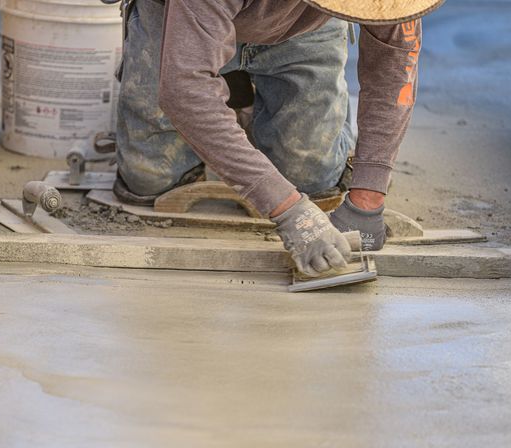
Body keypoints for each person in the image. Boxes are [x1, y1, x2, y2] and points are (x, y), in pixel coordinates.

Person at [113, 0, 441, 276]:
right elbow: (182, 89)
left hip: (304, 25)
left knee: (312, 176)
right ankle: (226, 108)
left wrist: (368, 199)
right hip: (179, 20)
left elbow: (394, 62)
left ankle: (237, 115)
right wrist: (288, 211)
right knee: (149, 177)